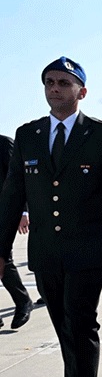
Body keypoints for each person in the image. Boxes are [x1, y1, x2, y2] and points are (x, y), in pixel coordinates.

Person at [0, 56, 102, 377]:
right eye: (49, 82)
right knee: (63, 330)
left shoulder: (101, 134)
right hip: (46, 253)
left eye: (63, 82)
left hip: (89, 252)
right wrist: (2, 250)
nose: (54, 88)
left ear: (82, 91)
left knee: (80, 326)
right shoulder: (28, 135)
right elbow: (12, 196)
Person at [0, 134, 34, 330]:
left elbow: (21, 179)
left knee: (3, 257)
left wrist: (23, 211)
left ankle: (23, 302)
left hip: (5, 212)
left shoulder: (5, 145)